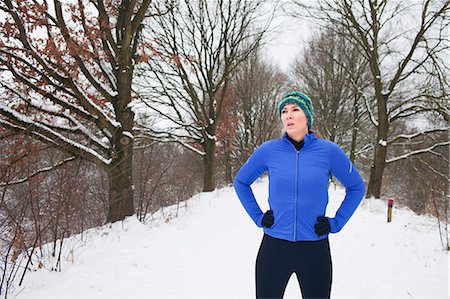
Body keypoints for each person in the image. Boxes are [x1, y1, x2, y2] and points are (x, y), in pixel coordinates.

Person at [233, 91, 366, 299]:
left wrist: (336, 223)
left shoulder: (329, 151)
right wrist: (258, 217)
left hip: (314, 248)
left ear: (308, 117)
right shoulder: (269, 151)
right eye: (284, 111)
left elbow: (357, 187)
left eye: (295, 110)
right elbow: (241, 182)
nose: (288, 115)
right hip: (275, 247)